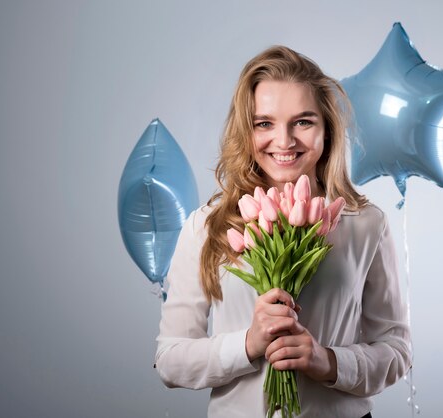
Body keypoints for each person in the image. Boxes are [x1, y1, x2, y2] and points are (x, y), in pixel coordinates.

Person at [155, 46, 411, 418]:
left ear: (326, 131)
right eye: (265, 123)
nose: (285, 141)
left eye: (303, 122)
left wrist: (328, 362)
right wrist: (248, 344)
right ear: (247, 131)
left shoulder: (366, 223)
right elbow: (170, 359)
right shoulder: (208, 226)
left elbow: (397, 349)